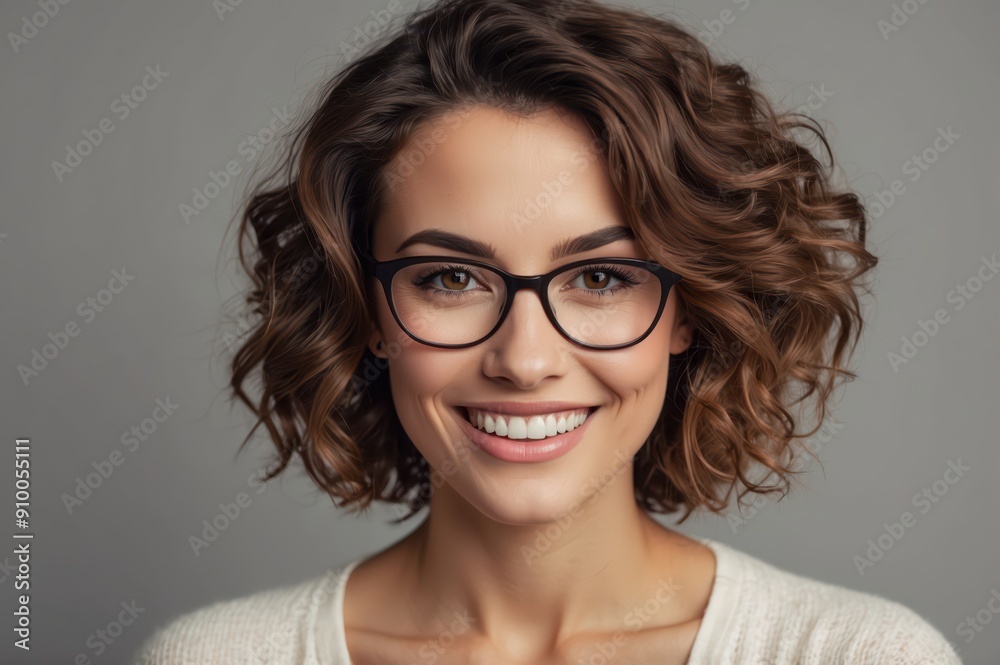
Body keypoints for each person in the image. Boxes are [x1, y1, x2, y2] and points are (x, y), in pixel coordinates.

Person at [135, 0, 962, 662]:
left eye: (601, 278)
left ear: (687, 311)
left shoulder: (859, 654)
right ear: (371, 314)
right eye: (449, 278)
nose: (525, 361)